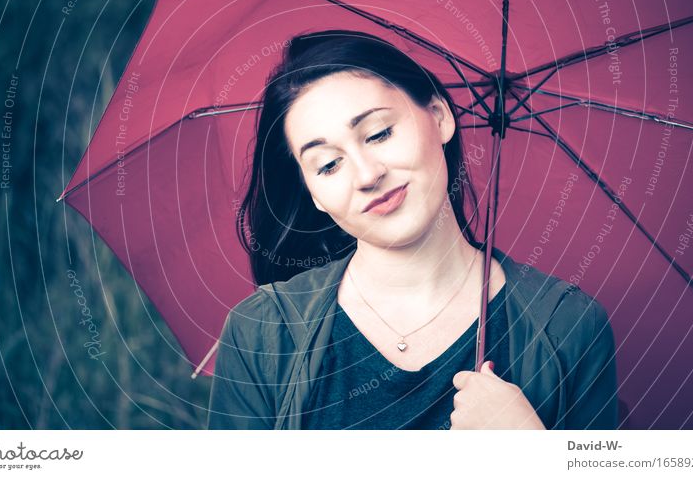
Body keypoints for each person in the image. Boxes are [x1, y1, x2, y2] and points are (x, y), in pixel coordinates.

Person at [206, 30, 618, 430]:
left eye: (379, 133)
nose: (367, 175)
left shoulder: (567, 326)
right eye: (328, 164)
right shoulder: (261, 333)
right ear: (313, 192)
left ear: (438, 117)